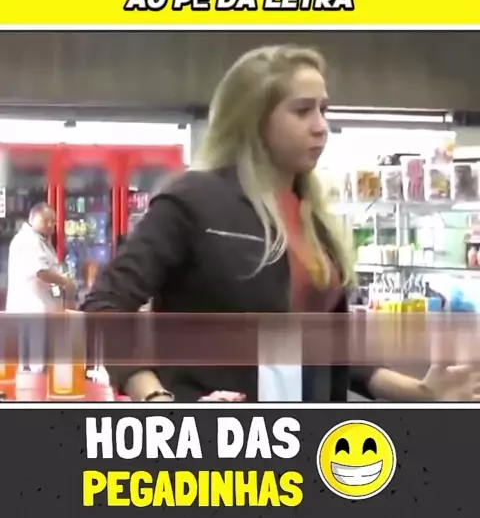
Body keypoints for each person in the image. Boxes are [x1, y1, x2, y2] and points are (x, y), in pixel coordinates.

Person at [81, 45, 480, 403]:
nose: (321, 126)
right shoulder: (193, 200)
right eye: (302, 111)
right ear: (253, 121)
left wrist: (420, 393)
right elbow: (104, 307)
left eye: (324, 110)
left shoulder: (314, 218)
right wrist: (155, 397)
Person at [6, 202, 76, 371]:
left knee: (39, 362)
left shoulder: (41, 240)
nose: (51, 225)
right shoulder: (28, 241)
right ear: (32, 218)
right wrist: (65, 282)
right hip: (31, 309)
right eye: (45, 221)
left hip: (42, 309)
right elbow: (41, 272)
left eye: (53, 221)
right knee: (35, 365)